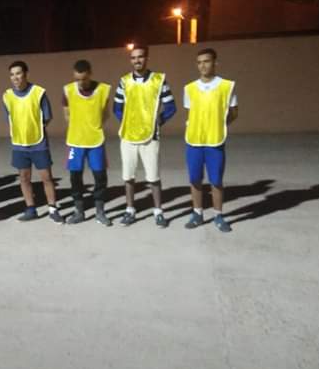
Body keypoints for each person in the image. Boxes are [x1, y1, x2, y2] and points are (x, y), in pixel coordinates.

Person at [113, 46, 176, 228]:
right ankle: (130, 210)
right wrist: (128, 122)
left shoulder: (159, 80)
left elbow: (171, 107)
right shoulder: (124, 81)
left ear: (146, 58)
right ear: (130, 60)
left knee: (153, 177)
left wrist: (157, 122)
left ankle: (158, 212)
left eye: (140, 57)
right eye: (133, 58)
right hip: (128, 137)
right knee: (128, 177)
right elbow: (117, 107)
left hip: (150, 137)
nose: (137, 60)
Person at [182, 48, 239, 233]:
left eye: (206, 61)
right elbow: (190, 113)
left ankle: (218, 216)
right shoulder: (189, 88)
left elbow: (234, 112)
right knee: (195, 179)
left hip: (215, 141)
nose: (202, 65)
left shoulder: (226, 86)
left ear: (215, 63)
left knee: (216, 180)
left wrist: (219, 125)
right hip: (194, 141)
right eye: (199, 62)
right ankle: (197, 213)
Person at [2, 61, 63, 223]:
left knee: (46, 177)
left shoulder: (38, 92)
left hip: (38, 143)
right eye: (12, 74)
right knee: (24, 178)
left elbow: (47, 117)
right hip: (19, 144)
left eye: (18, 73)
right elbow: (9, 119)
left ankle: (53, 208)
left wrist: (35, 130)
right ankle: (31, 209)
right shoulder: (7, 96)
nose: (15, 77)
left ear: (26, 74)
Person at [62, 60, 112, 225]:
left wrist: (93, 127)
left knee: (100, 177)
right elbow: (67, 115)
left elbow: (106, 114)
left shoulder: (102, 90)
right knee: (75, 177)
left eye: (83, 79)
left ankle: (100, 212)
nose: (80, 82)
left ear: (90, 74)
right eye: (77, 79)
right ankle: (79, 211)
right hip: (75, 141)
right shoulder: (68, 90)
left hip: (95, 141)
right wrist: (78, 128)